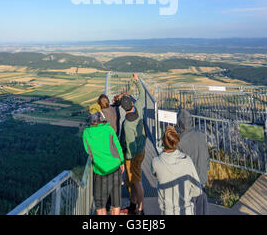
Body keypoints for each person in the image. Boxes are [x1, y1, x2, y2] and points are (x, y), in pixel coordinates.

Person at [83, 105, 125, 215]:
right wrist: (121, 162)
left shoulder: (86, 133)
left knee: (99, 203)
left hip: (100, 170)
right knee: (116, 202)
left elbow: (88, 151)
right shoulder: (108, 129)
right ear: (100, 117)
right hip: (115, 168)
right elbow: (118, 147)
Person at [151, 125, 202, 215]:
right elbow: (197, 190)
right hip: (186, 211)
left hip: (167, 211)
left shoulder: (156, 162)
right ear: (176, 142)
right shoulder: (187, 161)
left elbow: (154, 173)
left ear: (162, 142)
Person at [119, 73, 146, 215]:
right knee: (134, 180)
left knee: (135, 181)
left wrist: (126, 159)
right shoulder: (138, 107)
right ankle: (134, 205)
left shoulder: (128, 125)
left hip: (134, 155)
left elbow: (130, 146)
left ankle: (139, 208)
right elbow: (142, 94)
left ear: (124, 109)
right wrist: (137, 81)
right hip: (142, 149)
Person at [176, 109, 210, 215]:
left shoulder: (179, 142)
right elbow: (207, 157)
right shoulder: (201, 135)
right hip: (202, 179)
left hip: (188, 184)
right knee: (202, 209)